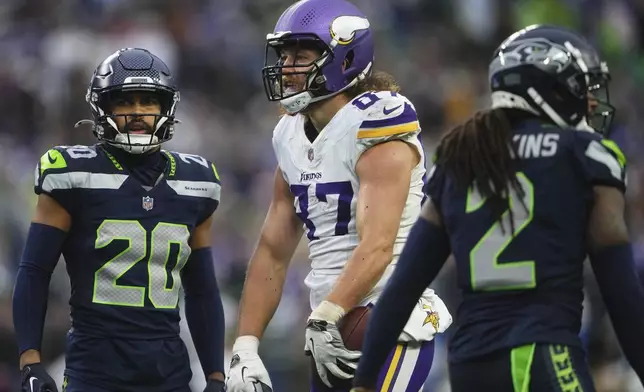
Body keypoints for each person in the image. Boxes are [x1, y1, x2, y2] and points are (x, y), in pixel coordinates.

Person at [351, 24, 644, 392]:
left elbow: (404, 286)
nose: (588, 102)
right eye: (578, 88)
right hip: (540, 353)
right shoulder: (585, 155)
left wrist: (364, 382)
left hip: (469, 367)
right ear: (549, 89)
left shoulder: (459, 156)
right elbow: (621, 291)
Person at [225, 0, 452, 391]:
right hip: (329, 327)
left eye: (301, 54)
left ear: (344, 58)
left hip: (390, 320)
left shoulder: (378, 117)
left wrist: (329, 312)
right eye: (284, 55)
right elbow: (273, 249)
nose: (286, 66)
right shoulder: (289, 133)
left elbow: (378, 244)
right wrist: (246, 345)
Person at [13, 48, 226, 392]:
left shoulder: (196, 183)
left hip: (169, 371)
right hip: (95, 370)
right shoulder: (73, 174)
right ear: (103, 107)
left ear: (165, 108)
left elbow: (201, 289)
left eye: (148, 102)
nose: (138, 113)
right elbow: (35, 271)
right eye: (125, 102)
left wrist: (216, 374)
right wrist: (30, 361)